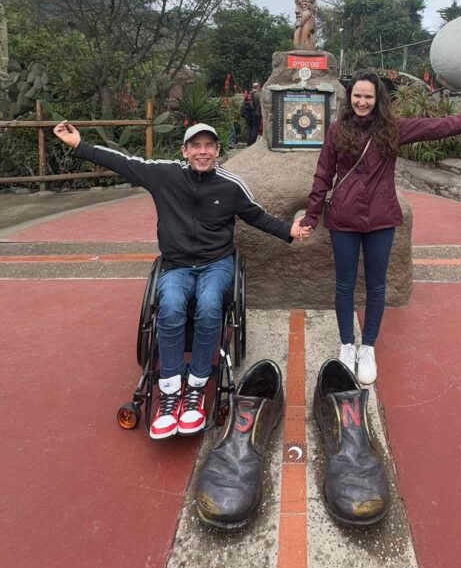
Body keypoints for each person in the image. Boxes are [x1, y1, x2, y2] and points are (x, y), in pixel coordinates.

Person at [53, 120, 308, 440]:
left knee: (210, 304)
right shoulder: (165, 174)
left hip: (216, 264)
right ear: (184, 150)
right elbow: (124, 162)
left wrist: (289, 230)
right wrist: (79, 145)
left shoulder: (230, 185)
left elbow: (256, 215)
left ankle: (197, 387)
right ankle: (170, 390)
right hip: (176, 265)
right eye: (196, 146)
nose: (202, 152)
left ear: (217, 151)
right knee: (171, 306)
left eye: (209, 146)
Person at [298, 71, 461, 385]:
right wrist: (310, 216)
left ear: (377, 100)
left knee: (376, 286)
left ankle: (368, 346)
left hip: (381, 218)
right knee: (344, 285)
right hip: (344, 219)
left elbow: (441, 127)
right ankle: (347, 345)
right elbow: (323, 176)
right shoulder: (336, 131)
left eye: (368, 97)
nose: (362, 102)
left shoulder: (393, 129)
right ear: (350, 98)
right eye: (357, 96)